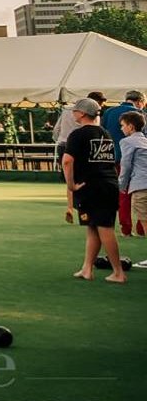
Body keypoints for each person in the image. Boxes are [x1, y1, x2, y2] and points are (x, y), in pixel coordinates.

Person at [62, 97, 124, 283]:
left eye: (75, 110)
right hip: (108, 184)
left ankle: (118, 272)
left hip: (92, 186)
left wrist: (71, 185)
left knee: (104, 228)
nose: (73, 113)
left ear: (82, 113)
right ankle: (87, 268)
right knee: (93, 227)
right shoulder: (105, 133)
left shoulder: (78, 135)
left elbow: (67, 161)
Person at [119, 111, 147, 239]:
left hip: (140, 185)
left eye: (123, 125)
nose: (121, 128)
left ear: (130, 127)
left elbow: (126, 165)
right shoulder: (145, 141)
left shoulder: (127, 142)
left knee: (145, 220)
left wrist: (122, 185)